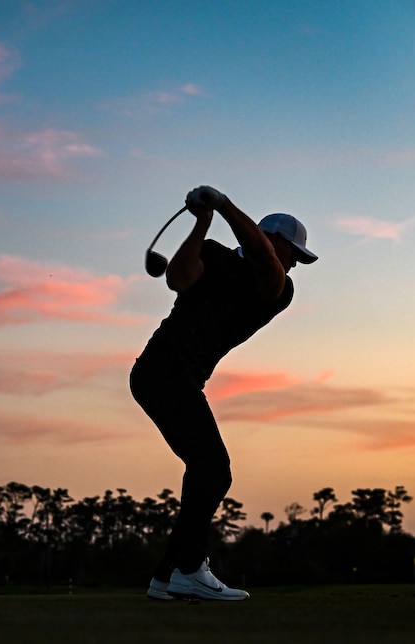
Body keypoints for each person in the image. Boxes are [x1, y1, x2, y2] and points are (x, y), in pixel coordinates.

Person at [130, 185, 317, 601]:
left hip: (176, 377)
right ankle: (190, 569)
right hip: (160, 370)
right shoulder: (214, 254)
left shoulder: (278, 288)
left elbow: (263, 258)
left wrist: (223, 202)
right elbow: (178, 278)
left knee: (207, 470)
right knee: (212, 469)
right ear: (277, 240)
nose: (293, 265)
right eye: (294, 254)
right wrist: (203, 220)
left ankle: (166, 577)